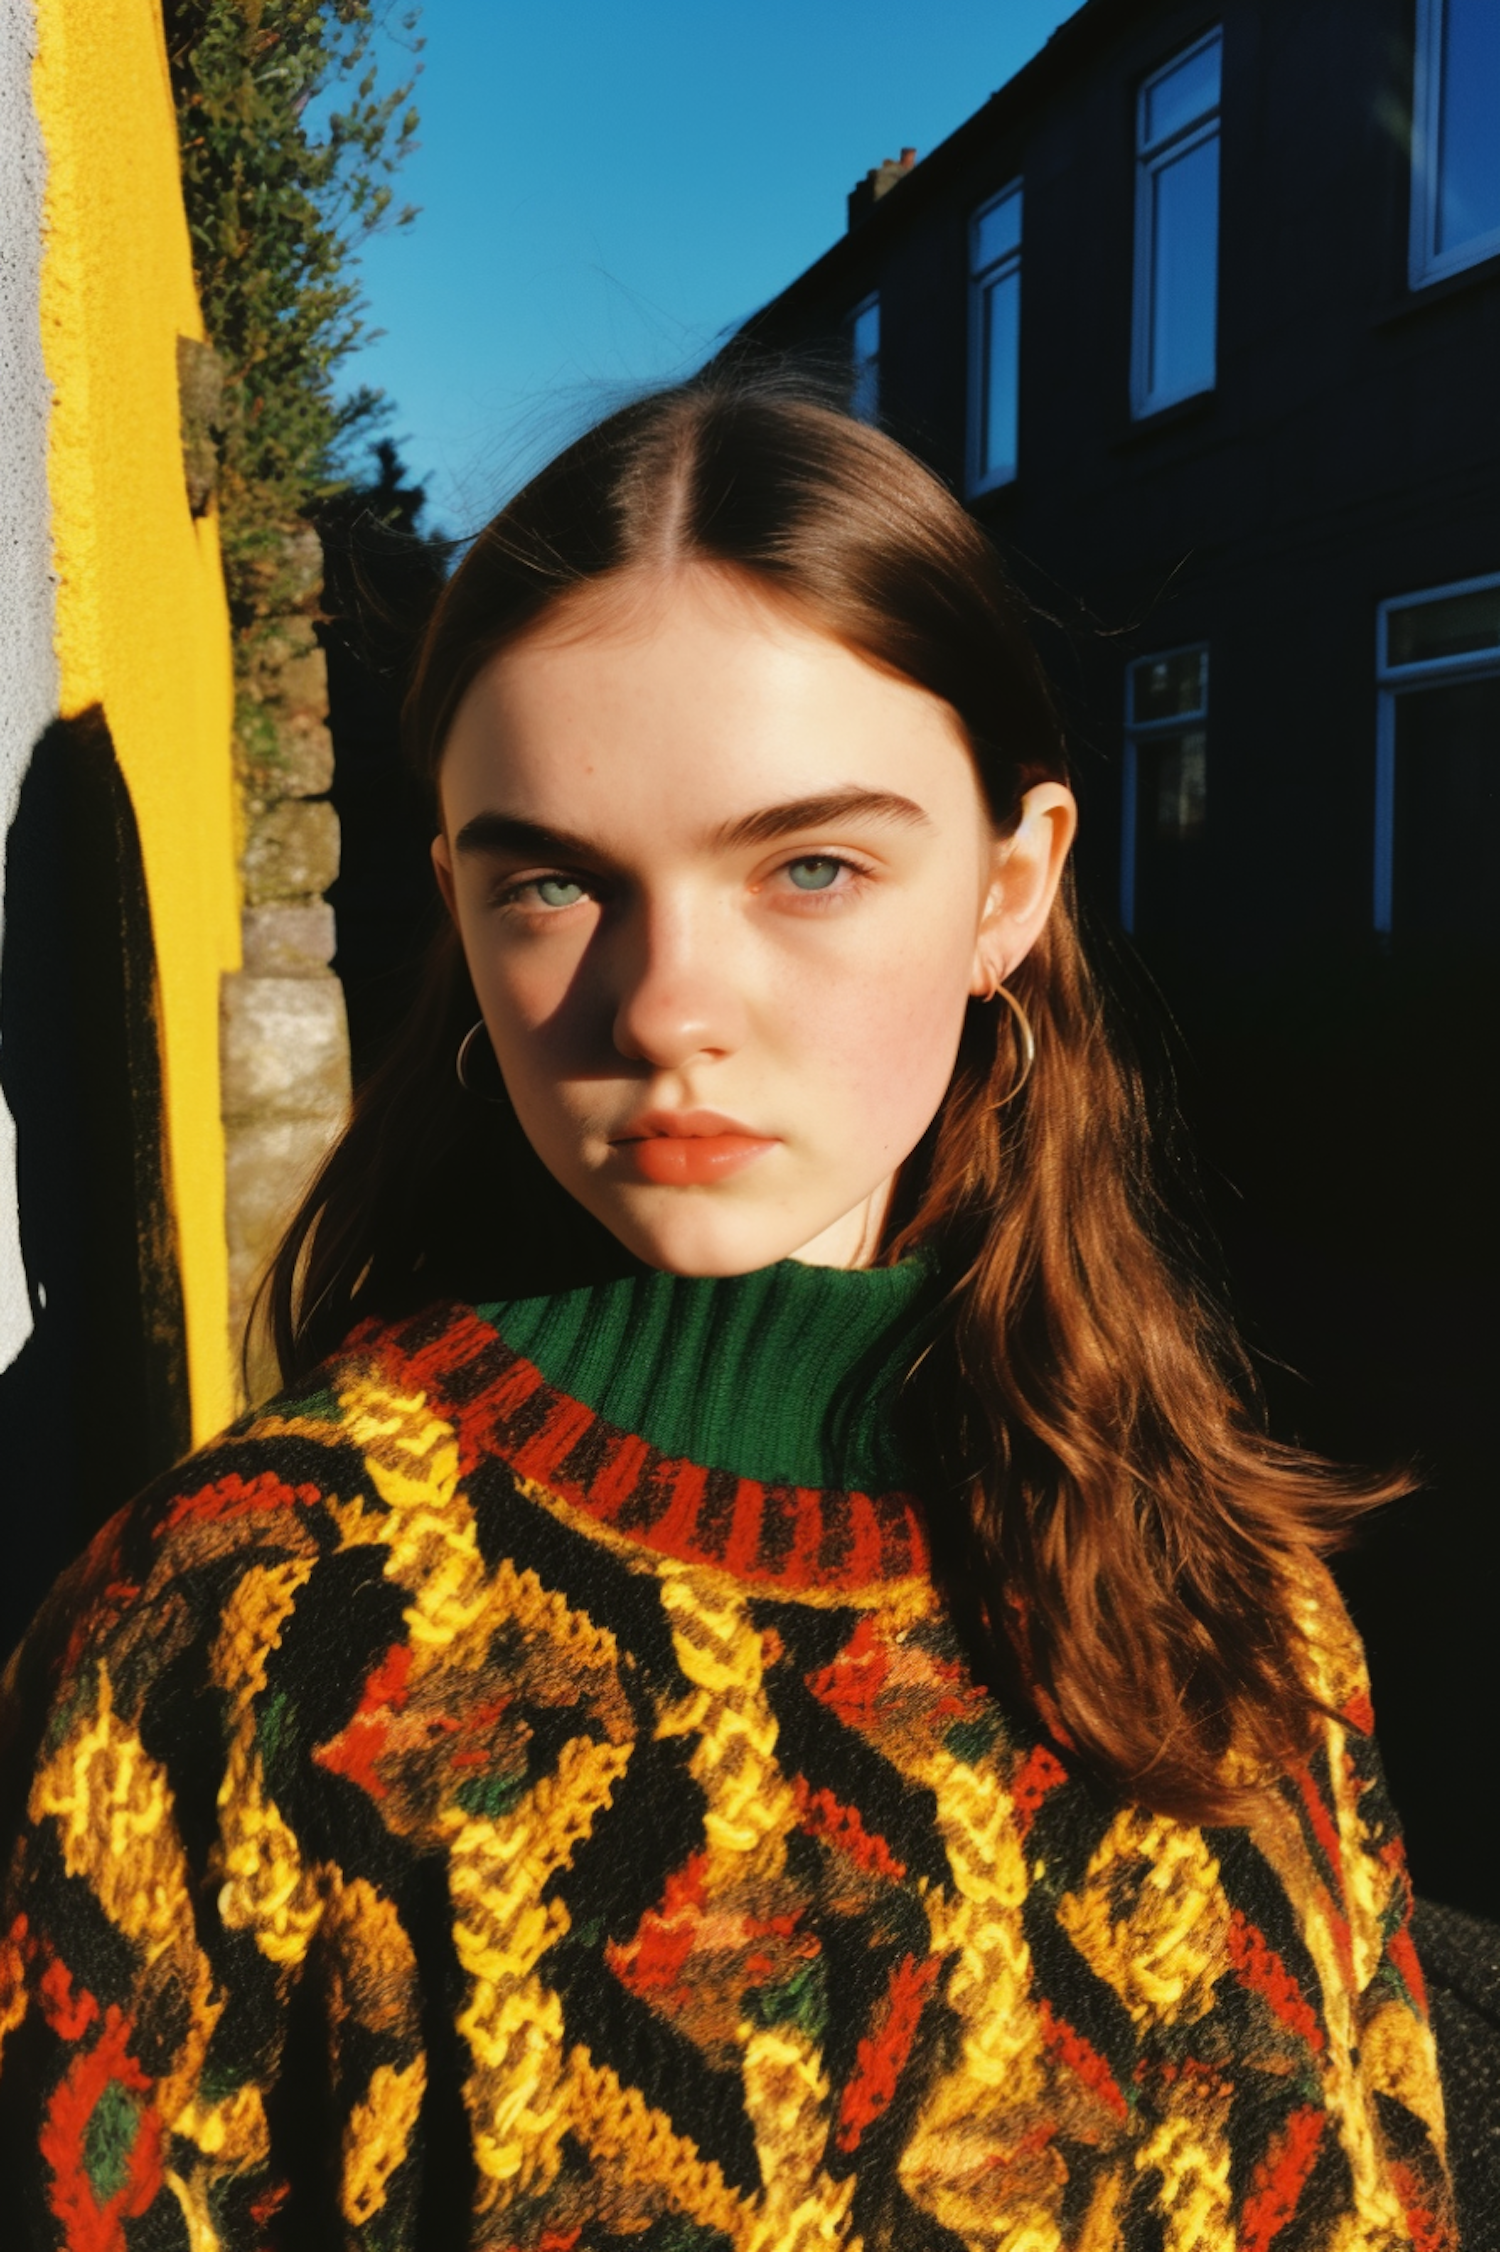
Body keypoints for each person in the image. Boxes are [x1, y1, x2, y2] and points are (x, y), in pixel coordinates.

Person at [0, 377, 1453, 2250]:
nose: (667, 1004)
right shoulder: (232, 1634)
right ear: (455, 900)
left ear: (1013, 889)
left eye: (812, 867)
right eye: (555, 883)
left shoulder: (1230, 1593)